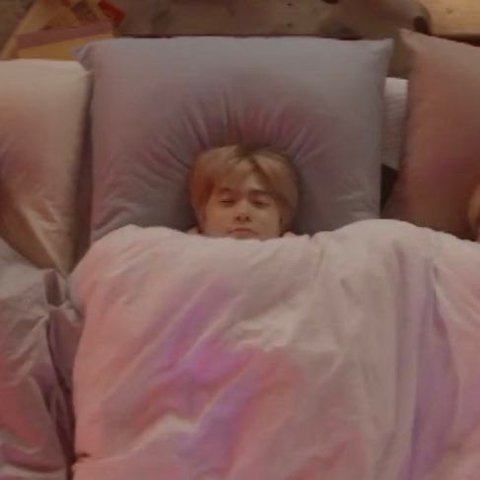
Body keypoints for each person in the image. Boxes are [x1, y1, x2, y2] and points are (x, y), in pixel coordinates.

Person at [188, 144, 299, 240]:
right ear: (203, 211)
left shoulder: (304, 252)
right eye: (227, 201)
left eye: (259, 203)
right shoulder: (180, 249)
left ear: (282, 216)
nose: (242, 214)